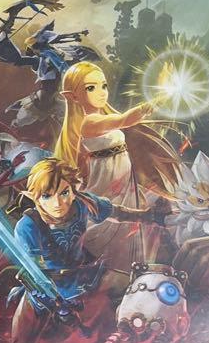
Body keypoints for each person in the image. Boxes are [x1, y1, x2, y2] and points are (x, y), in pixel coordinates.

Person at [11, 158, 168, 343]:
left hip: (83, 273)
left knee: (135, 287)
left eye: (64, 193)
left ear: (73, 190)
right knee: (20, 338)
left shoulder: (82, 203)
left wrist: (148, 216)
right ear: (34, 197)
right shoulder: (27, 227)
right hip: (47, 286)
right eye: (47, 196)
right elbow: (35, 270)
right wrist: (51, 298)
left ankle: (137, 334)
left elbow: (116, 213)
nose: (57, 203)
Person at [52, 61, 182, 270]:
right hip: (108, 186)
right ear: (74, 96)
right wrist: (160, 97)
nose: (101, 92)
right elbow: (125, 119)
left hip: (124, 183)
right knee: (118, 233)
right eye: (91, 88)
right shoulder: (87, 122)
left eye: (104, 86)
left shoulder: (102, 116)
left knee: (136, 230)